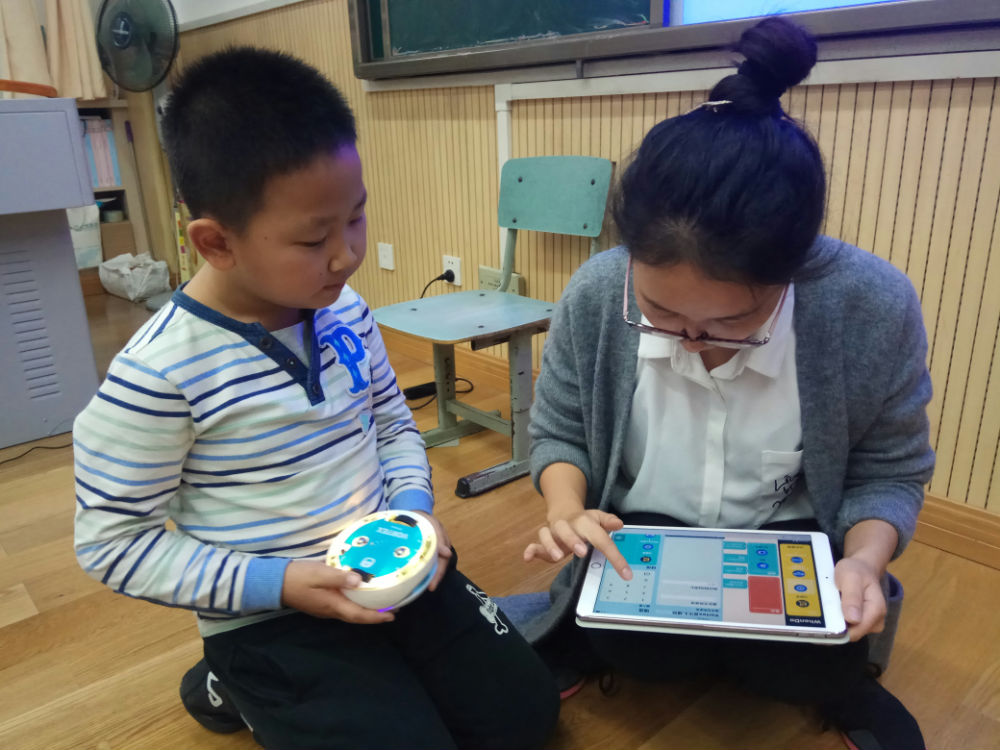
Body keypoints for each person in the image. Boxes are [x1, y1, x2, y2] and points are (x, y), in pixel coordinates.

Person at [72, 47, 558, 750]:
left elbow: (392, 423)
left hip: (387, 567)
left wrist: (413, 512)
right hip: (271, 613)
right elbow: (113, 543)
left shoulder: (346, 309)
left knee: (525, 717)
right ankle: (229, 680)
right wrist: (278, 584)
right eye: (312, 238)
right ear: (215, 242)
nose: (346, 255)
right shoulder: (157, 376)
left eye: (355, 219)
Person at [522, 16, 933, 750]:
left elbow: (889, 469)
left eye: (730, 321)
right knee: (632, 645)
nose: (690, 339)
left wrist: (863, 562)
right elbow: (559, 429)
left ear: (795, 270)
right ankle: (593, 635)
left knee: (808, 663)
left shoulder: (869, 304)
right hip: (644, 535)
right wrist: (566, 506)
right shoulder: (599, 291)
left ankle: (840, 677)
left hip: (789, 543)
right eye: (661, 312)